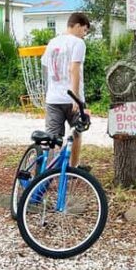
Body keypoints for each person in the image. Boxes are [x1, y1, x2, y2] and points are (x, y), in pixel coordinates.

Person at [41, 12, 91, 168]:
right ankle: (72, 168)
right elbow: (73, 69)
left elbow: (45, 66)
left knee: (52, 138)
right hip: (72, 99)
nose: (84, 35)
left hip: (53, 98)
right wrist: (75, 97)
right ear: (77, 25)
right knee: (76, 133)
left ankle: (46, 174)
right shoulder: (78, 43)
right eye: (84, 30)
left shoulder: (52, 42)